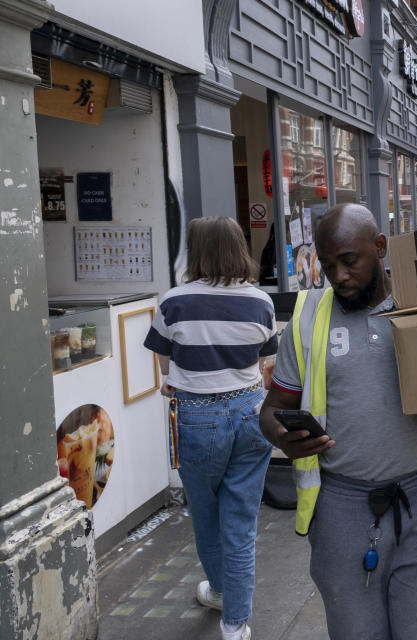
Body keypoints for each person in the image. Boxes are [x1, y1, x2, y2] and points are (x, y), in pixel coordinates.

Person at [258, 204, 417, 640]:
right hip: (341, 508)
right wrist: (281, 435)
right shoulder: (307, 318)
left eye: (349, 261)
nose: (338, 276)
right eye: (328, 264)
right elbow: (272, 407)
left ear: (380, 247)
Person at [144, 216, 278, 640]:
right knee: (241, 520)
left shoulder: (175, 301)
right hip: (251, 415)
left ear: (196, 250)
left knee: (205, 513)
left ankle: (220, 590)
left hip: (196, 418)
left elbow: (166, 369)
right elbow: (263, 364)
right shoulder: (261, 301)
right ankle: (235, 624)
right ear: (239, 247)